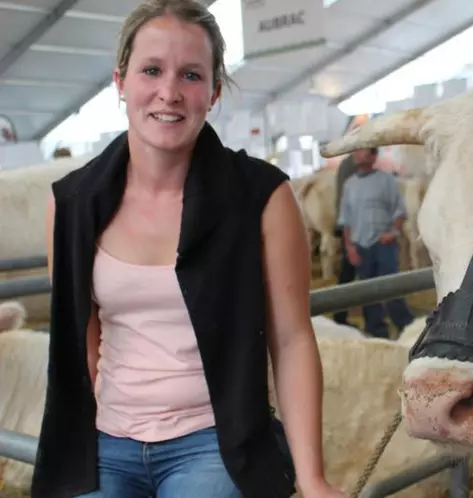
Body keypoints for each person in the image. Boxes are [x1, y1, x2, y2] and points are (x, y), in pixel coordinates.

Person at [30, 1, 345, 497]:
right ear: (120, 81)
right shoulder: (70, 205)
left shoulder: (263, 197)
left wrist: (313, 478)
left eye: (192, 75)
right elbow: (83, 344)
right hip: (107, 441)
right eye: (151, 70)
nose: (170, 92)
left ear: (214, 91)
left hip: (215, 441)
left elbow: (290, 339)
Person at [337, 147, 415, 339]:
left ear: (373, 156)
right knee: (368, 293)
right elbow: (346, 219)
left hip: (383, 244)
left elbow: (399, 210)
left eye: (362, 151)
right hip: (361, 245)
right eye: (355, 152)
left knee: (392, 288)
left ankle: (406, 329)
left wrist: (393, 232)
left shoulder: (386, 180)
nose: (356, 154)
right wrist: (350, 247)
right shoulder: (350, 185)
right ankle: (377, 332)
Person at [331, 153, 358, 326]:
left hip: (351, 224)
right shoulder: (351, 165)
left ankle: (340, 314)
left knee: (347, 272)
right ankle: (340, 315)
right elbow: (348, 199)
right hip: (354, 226)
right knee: (348, 271)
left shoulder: (346, 164)